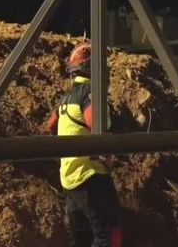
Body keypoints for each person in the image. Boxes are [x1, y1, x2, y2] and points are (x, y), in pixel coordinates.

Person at [45, 43, 123, 247]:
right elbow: (98, 125)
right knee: (109, 235)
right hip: (91, 175)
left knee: (82, 238)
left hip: (69, 179)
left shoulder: (65, 100)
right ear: (91, 68)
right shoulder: (90, 93)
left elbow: (49, 126)